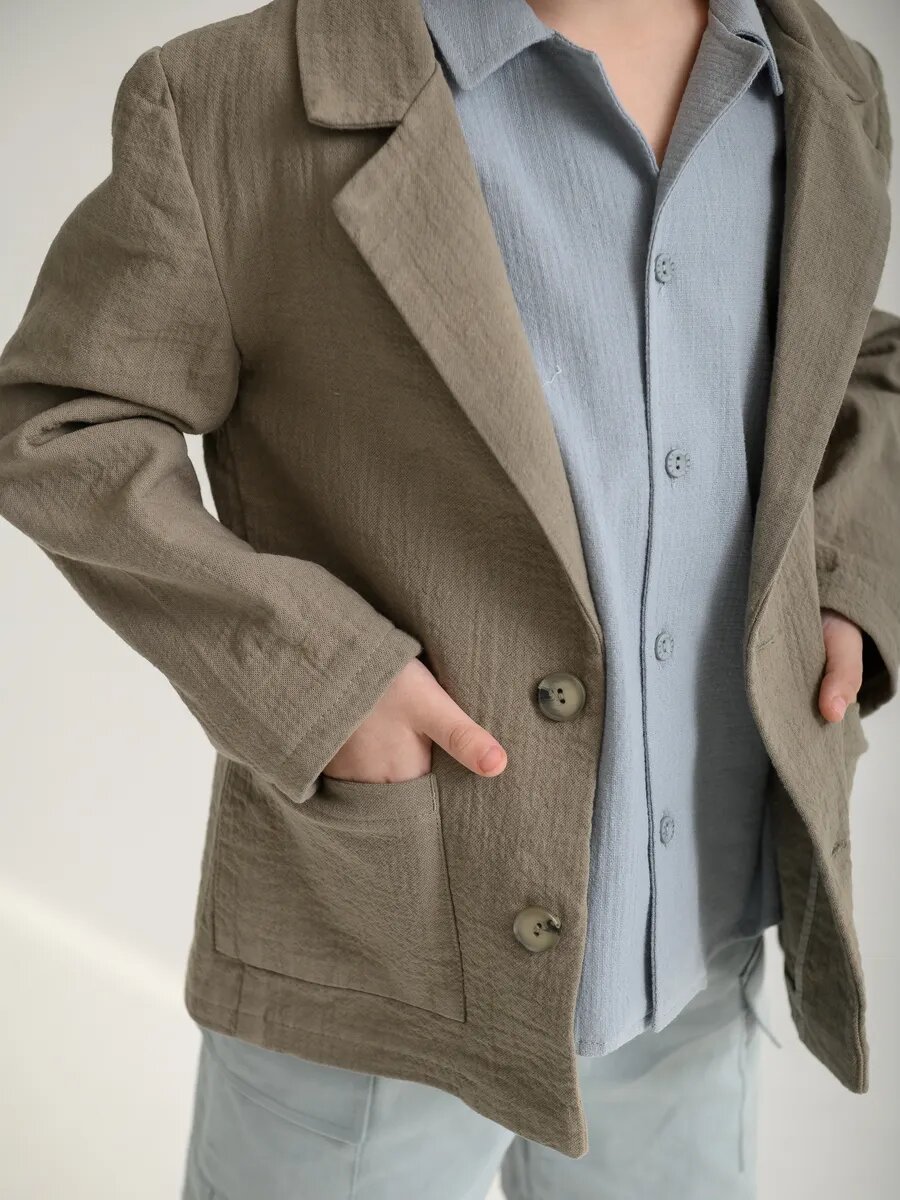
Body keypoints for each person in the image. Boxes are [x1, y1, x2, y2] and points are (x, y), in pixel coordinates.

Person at [0, 0, 896, 1196]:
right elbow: (64, 421)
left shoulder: (822, 81)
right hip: (387, 945)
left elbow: (857, 354)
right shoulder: (229, 99)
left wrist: (847, 577)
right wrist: (321, 677)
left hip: (701, 921)